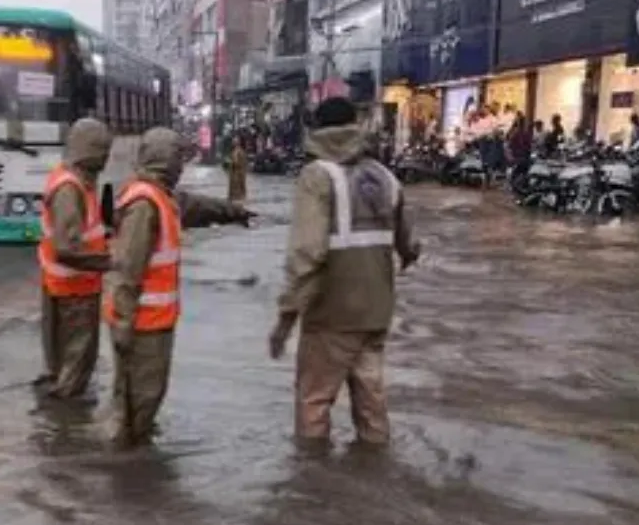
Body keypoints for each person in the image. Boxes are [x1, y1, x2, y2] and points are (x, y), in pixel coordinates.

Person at [268, 97, 420, 447]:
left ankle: (312, 486)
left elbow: (307, 253)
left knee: (314, 403)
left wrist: (286, 317)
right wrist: (406, 255)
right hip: (376, 313)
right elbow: (408, 243)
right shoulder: (385, 177)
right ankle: (373, 476)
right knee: (372, 405)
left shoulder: (316, 176)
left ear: (318, 130)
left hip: (331, 316)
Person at [104, 127, 256, 447]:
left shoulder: (161, 197)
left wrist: (233, 212)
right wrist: (122, 323)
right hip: (142, 324)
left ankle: (128, 453)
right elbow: (128, 271)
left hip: (152, 322)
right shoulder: (145, 203)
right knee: (140, 397)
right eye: (178, 158)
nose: (181, 166)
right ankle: (125, 464)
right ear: (166, 159)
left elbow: (196, 207)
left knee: (142, 396)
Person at [36, 118, 115, 400]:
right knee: (76, 368)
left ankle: (54, 418)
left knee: (63, 365)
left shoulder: (71, 180)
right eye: (103, 150)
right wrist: (110, 262)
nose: (107, 157)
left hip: (63, 288)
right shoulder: (71, 189)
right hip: (75, 293)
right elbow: (66, 249)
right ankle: (63, 429)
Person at [227, 133, 249, 203]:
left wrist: (230, 162)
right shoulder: (236, 151)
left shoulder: (238, 151)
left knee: (237, 187)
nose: (233, 142)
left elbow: (237, 162)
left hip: (237, 173)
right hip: (236, 173)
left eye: (235, 140)